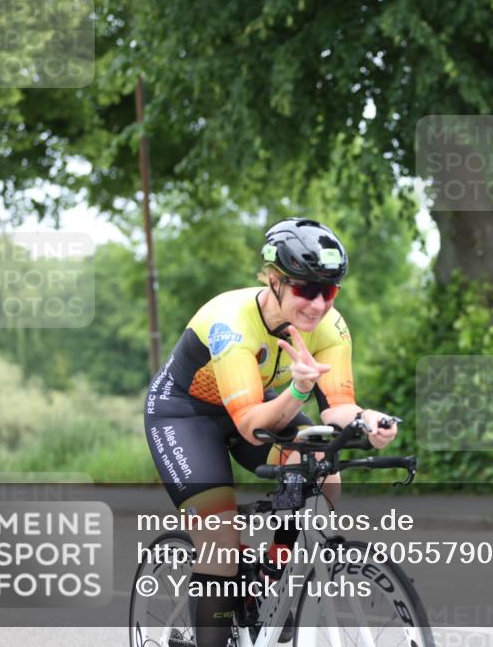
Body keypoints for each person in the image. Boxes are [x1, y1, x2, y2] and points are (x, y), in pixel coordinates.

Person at [143, 217, 398, 646]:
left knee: (324, 477)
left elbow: (338, 406)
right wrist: (299, 388)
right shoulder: (233, 322)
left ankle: (270, 576)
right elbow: (251, 425)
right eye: (305, 289)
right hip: (186, 417)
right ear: (275, 281)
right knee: (221, 547)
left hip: (263, 406)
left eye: (329, 291)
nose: (317, 305)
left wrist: (366, 419)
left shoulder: (331, 327)